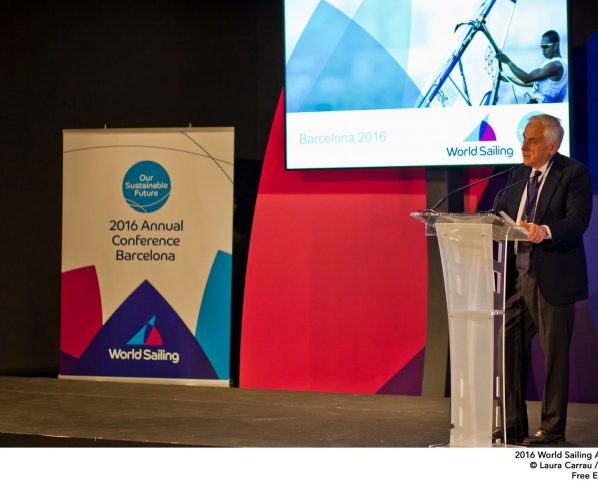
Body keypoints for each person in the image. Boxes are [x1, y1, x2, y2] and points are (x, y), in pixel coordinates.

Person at [495, 114, 592, 445]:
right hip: (516, 277)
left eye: (532, 140)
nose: (524, 146)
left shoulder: (573, 173)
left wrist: (545, 230)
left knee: (554, 357)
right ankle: (512, 424)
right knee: (509, 350)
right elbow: (498, 215)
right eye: (523, 138)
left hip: (553, 278)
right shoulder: (517, 175)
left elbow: (578, 221)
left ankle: (551, 429)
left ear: (553, 146)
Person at [497, 30, 568, 103]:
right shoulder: (563, 64)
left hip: (543, 107)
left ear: (555, 45)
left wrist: (508, 62)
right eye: (541, 46)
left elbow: (526, 78)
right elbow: (531, 82)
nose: (543, 50)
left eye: (545, 46)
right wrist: (509, 78)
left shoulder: (554, 65)